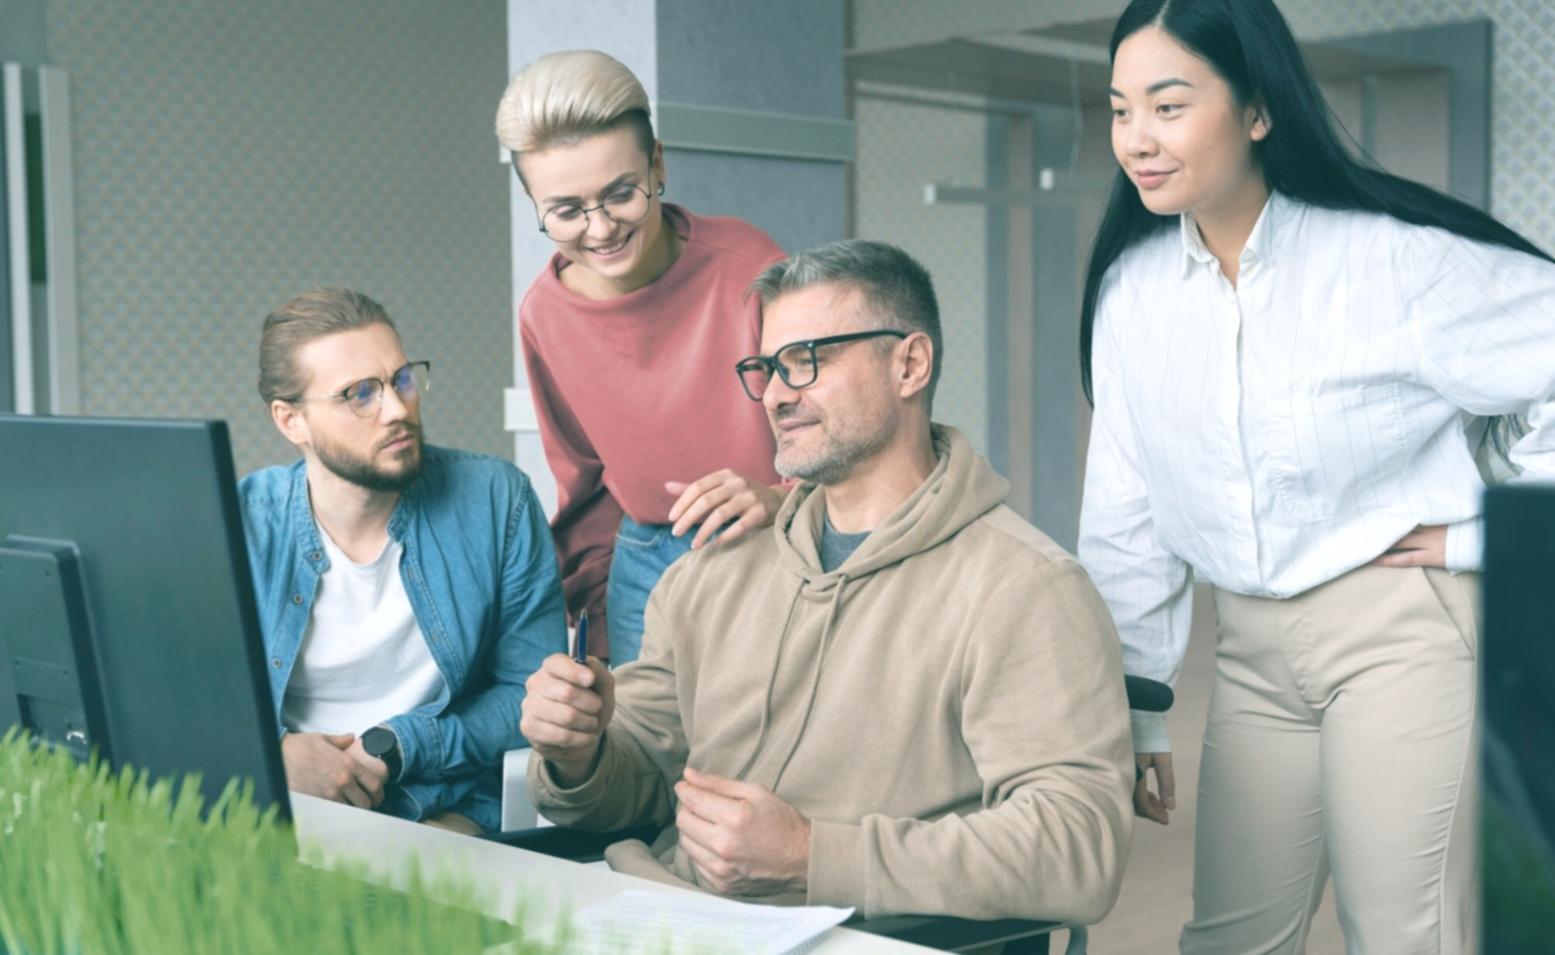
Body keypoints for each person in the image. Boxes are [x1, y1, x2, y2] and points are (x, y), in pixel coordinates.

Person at [1077, 1, 1555, 951]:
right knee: (1227, 938)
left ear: (1258, 110)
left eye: (1168, 106)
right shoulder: (1132, 292)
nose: (1137, 139)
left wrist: (1481, 534)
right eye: (1120, 110)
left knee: (1404, 934)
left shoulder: (1389, 259)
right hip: (1249, 654)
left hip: (1400, 635)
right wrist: (1137, 704)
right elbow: (1124, 509)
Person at [519, 239, 1134, 921]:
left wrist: (812, 856)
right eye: (767, 368)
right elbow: (638, 778)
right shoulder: (707, 575)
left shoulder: (1026, 588)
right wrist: (578, 752)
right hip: (659, 913)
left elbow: (1078, 847)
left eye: (807, 360)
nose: (778, 395)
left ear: (909, 364)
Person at [495, 50, 787, 665]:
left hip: (773, 546)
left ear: (657, 165)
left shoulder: (751, 266)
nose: (600, 229)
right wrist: (595, 625)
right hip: (643, 561)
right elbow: (583, 482)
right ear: (534, 203)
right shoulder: (543, 314)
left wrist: (783, 501)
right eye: (566, 211)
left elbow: (835, 427)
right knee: (641, 730)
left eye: (620, 194)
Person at [239, 288, 566, 835]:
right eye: (359, 395)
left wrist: (398, 745)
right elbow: (179, 699)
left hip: (445, 794)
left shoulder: (495, 500)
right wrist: (272, 754)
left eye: (402, 380)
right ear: (291, 421)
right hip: (287, 803)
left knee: (422, 884)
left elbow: (531, 695)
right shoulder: (242, 522)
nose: (397, 410)